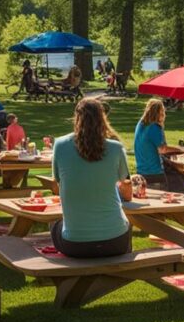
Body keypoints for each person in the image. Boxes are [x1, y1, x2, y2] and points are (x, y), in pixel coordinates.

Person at [51, 99, 132, 258]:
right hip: (115, 242)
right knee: (125, 224)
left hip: (75, 245)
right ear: (103, 119)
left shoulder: (60, 145)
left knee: (55, 226)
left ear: (76, 118)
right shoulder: (116, 148)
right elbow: (127, 188)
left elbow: (57, 183)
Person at [133, 99, 183, 189]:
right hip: (155, 174)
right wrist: (181, 150)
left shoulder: (140, 124)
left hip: (141, 172)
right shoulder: (154, 127)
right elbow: (163, 149)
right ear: (160, 113)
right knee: (181, 187)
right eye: (163, 112)